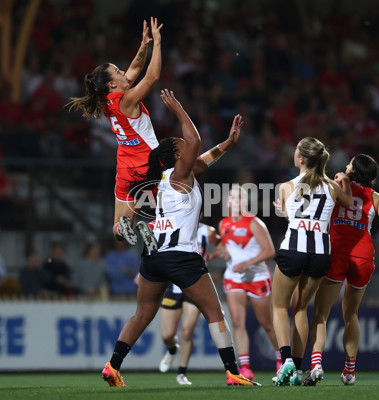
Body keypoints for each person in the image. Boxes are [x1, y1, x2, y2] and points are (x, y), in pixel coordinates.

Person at [100, 89, 259, 387]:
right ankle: (232, 372)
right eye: (183, 146)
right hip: (182, 256)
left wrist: (227, 143)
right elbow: (196, 142)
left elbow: (203, 159)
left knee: (142, 314)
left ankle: (112, 365)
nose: (189, 147)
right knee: (214, 312)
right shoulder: (179, 175)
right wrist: (178, 109)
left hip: (154, 258)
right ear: (176, 155)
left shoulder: (162, 180)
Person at [302, 154, 379, 387]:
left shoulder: (336, 186)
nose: (346, 165)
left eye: (350, 163)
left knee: (321, 315)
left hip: (337, 252)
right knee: (351, 315)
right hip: (364, 256)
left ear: (354, 170)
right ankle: (349, 372)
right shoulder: (376, 197)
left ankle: (316, 365)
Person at [67, 18, 163, 245]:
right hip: (149, 162)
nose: (124, 72)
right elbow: (152, 77)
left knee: (118, 230)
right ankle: (150, 226)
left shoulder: (108, 100)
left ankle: (128, 228)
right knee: (174, 207)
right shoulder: (127, 99)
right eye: (118, 72)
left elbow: (136, 68)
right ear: (112, 83)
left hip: (125, 166)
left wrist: (144, 45)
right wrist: (157, 44)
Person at [271, 137, 352, 386]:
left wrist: (283, 211)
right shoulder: (332, 187)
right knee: (301, 309)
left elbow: (291, 220)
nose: (294, 153)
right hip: (320, 253)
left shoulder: (285, 187)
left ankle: (285, 361)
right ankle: (296, 367)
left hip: (294, 248)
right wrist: (346, 180)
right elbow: (348, 202)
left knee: (279, 307)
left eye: (296, 151)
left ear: (302, 159)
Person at [214, 186, 280, 381]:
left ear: (245, 202)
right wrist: (221, 252)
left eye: (240, 198)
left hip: (257, 278)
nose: (236, 202)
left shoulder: (254, 223)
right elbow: (229, 248)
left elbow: (270, 251)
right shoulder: (223, 224)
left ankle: (281, 360)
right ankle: (245, 368)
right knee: (237, 323)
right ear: (227, 203)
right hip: (234, 278)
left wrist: (247, 263)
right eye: (233, 198)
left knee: (266, 323)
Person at [158, 215, 221, 385]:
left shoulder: (208, 231)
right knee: (167, 335)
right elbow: (157, 251)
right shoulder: (171, 226)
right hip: (173, 286)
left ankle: (181, 373)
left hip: (195, 285)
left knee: (186, 331)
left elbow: (224, 248)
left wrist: (212, 255)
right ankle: (172, 349)